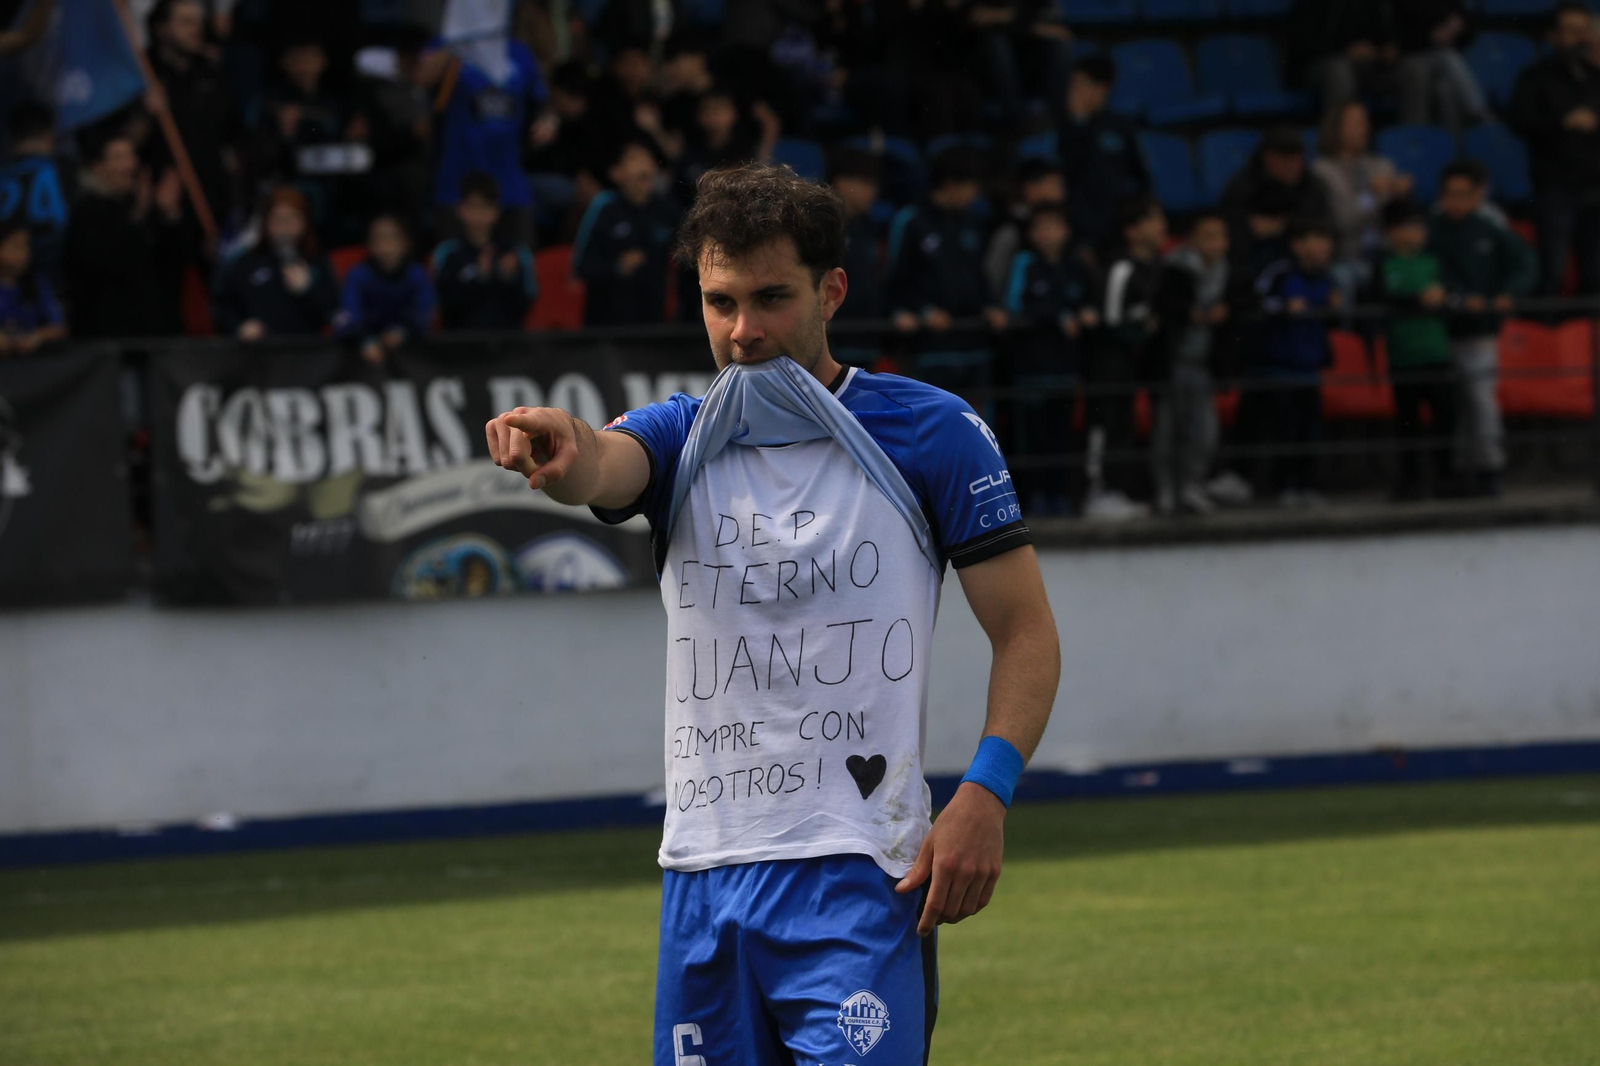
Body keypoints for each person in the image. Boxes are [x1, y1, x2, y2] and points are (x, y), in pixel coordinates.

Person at [483, 161, 1059, 1066]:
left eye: (771, 298)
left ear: (832, 290)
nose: (743, 331)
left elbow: (1025, 632)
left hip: (860, 875)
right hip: (702, 882)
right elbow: (606, 463)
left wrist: (987, 790)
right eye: (719, 302)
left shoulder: (930, 431)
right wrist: (568, 447)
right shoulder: (682, 434)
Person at [1429, 160, 1537, 498]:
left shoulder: (1490, 229)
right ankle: (1455, 472)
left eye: (1465, 195)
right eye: (1450, 194)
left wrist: (1507, 295)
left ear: (1478, 196)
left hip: (1479, 333)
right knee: (1448, 405)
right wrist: (1455, 298)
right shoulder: (1430, 230)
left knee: (1481, 401)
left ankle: (1489, 468)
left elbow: (1525, 264)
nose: (1457, 202)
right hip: (1437, 333)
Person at [999, 202, 1097, 517]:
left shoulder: (1075, 265)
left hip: (1066, 370)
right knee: (1034, 439)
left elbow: (1091, 302)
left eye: (1054, 226)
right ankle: (1034, 497)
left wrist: (1087, 313)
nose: (1047, 233)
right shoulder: (1025, 263)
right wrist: (1058, 317)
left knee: (1061, 438)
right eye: (1040, 227)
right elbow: (1014, 306)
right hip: (1032, 370)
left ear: (1066, 231)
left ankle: (1059, 495)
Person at [426, 1, 549, 247]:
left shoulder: (519, 53)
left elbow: (543, 102)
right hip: (458, 181)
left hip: (510, 182)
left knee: (517, 268)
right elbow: (421, 77)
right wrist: (458, 41)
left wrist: (548, 121)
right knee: (453, 270)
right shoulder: (446, 49)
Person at [1085, 195, 1166, 522]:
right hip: (1108, 362)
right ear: (1132, 230)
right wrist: (1141, 330)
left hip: (1131, 364)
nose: (1161, 226)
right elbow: (1112, 320)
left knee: (1124, 425)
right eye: (1153, 219)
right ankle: (1097, 492)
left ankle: (1118, 490)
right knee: (1107, 423)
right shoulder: (1121, 268)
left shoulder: (1156, 266)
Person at [886, 147, 994, 395]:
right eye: (970, 185)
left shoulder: (973, 223)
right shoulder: (911, 221)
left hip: (973, 342)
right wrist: (922, 311)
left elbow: (979, 277)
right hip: (930, 347)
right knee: (933, 423)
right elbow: (895, 281)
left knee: (975, 425)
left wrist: (989, 306)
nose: (975, 193)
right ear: (950, 183)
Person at [1510, 4, 1600, 297]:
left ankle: (1590, 340)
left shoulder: (1596, 77)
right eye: (1572, 31)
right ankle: (1547, 337)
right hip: (1554, 188)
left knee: (1595, 273)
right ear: (1553, 36)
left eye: (1584, 30)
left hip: (1595, 186)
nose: (1581, 38)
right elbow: (1520, 120)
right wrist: (1563, 122)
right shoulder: (1535, 76)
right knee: (1553, 272)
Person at [60, 134, 186, 339]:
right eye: (119, 158)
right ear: (98, 167)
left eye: (131, 155)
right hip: (107, 341)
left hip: (156, 337)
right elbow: (102, 266)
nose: (130, 164)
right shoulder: (87, 212)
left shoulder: (147, 206)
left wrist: (170, 214)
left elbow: (172, 266)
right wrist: (137, 216)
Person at [1254, 218, 1342, 508]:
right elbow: (1258, 303)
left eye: (1324, 240)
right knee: (1285, 428)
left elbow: (1337, 321)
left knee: (1309, 429)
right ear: (1296, 245)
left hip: (1310, 367)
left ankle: (1306, 485)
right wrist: (1284, 308)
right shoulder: (1280, 273)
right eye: (1313, 239)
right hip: (1280, 366)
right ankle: (1284, 486)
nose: (1321, 247)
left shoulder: (1327, 278)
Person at [1376, 199, 1456, 501]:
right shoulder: (1382, 264)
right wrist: (1416, 301)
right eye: (1407, 226)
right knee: (1407, 423)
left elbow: (1455, 294)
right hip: (1402, 355)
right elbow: (1378, 302)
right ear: (1391, 232)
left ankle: (1446, 478)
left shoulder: (1436, 262)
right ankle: (1410, 481)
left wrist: (1446, 298)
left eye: (1419, 227)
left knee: (1444, 419)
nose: (1415, 233)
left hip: (1437, 353)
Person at [1151, 212, 1230, 516]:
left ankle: (1191, 485)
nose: (1215, 243)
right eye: (1208, 235)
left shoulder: (1227, 271)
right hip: (1173, 362)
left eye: (1221, 236)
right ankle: (1166, 490)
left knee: (1204, 431)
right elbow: (1164, 306)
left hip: (1204, 364)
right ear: (1193, 240)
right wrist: (1188, 314)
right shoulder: (1174, 269)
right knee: (1168, 429)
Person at [572, 141, 679, 327]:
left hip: (654, 322)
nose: (643, 165)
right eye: (634, 159)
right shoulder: (604, 207)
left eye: (648, 159)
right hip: (607, 325)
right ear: (616, 173)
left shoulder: (667, 210)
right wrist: (616, 267)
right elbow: (581, 266)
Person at [213, 186, 339, 340]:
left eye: (291, 219)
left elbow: (334, 313)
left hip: (305, 352)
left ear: (304, 222)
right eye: (277, 219)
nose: (284, 227)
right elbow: (221, 306)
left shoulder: (317, 261)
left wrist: (308, 290)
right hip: (257, 352)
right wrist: (239, 326)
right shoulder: (246, 262)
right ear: (265, 222)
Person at [1058, 55, 1149, 258]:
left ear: (1102, 87)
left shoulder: (1121, 126)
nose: (1074, 91)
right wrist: (1078, 122)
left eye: (1081, 84)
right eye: (1073, 84)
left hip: (1116, 224)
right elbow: (1068, 168)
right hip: (1079, 226)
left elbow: (1141, 175)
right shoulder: (1065, 127)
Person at [1221, 126, 1335, 286]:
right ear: (1268, 157)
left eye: (1297, 159)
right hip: (1253, 260)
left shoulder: (1311, 185)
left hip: (1302, 261)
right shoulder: (1242, 186)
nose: (1293, 166)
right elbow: (1233, 230)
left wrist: (1278, 226)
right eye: (1285, 159)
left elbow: (1318, 224)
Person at [1313, 101, 1413, 269]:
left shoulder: (1381, 165)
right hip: (1344, 255)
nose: (1365, 128)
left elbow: (1396, 219)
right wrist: (1372, 195)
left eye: (1366, 121)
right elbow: (1342, 221)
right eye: (1357, 123)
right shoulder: (1323, 171)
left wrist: (1401, 195)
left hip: (1386, 253)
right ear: (1337, 128)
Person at [431, 172, 536, 332]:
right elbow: (444, 306)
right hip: (459, 346)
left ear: (496, 211)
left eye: (485, 207)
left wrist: (510, 280)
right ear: (460, 209)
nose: (478, 215)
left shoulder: (515, 253)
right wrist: (478, 279)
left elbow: (524, 306)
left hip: (508, 346)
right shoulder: (448, 254)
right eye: (472, 206)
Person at [337, 213, 435, 364]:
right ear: (369, 244)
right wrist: (364, 341)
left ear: (406, 243)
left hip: (411, 357)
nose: (386, 246)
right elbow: (347, 317)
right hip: (362, 357)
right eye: (379, 239)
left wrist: (403, 333)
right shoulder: (358, 275)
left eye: (393, 238)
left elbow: (424, 314)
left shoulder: (417, 275)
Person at [827, 150, 885, 368]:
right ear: (841, 182)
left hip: (868, 338)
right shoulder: (822, 226)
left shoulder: (870, 229)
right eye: (866, 183)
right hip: (833, 340)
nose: (873, 192)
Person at [0, 102, 68, 287]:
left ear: (10, 138)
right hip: (55, 280)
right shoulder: (61, 173)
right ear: (49, 135)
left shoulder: (3, 176)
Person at [1393, 0, 1487, 133]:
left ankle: (1453, 143)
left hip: (1442, 57)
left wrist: (1458, 26)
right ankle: (1480, 112)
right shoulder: (1405, 4)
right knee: (1447, 60)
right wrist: (1432, 36)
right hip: (1413, 56)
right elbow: (1400, 38)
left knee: (1446, 87)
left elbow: (1467, 26)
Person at [1289, 0, 1396, 113]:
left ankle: (1410, 130)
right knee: (1339, 71)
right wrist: (1346, 51)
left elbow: (1390, 30)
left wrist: (1387, 47)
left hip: (1375, 65)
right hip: (1322, 63)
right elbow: (1303, 43)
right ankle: (1339, 129)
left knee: (1413, 70)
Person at [984, 158, 1068, 300]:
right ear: (1030, 187)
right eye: (1054, 184)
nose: (1060, 193)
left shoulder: (1066, 224)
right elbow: (993, 278)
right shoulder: (1010, 229)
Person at [0, 220, 67, 354]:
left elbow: (59, 326)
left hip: (33, 366)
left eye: (26, 246)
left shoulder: (37, 284)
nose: (23, 253)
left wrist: (37, 337)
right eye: (15, 246)